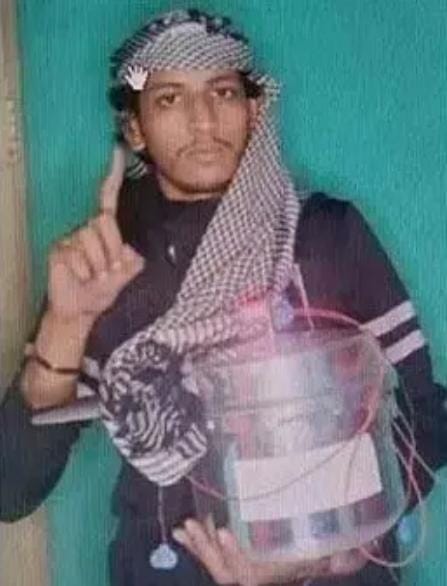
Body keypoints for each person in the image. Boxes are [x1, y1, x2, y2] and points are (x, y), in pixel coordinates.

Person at [1, 8, 446, 586]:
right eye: (169, 98)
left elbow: (427, 416)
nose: (203, 120)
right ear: (134, 128)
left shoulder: (325, 236)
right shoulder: (108, 267)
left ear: (254, 110)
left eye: (223, 92)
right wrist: (66, 323)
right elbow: (11, 490)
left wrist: (329, 551)